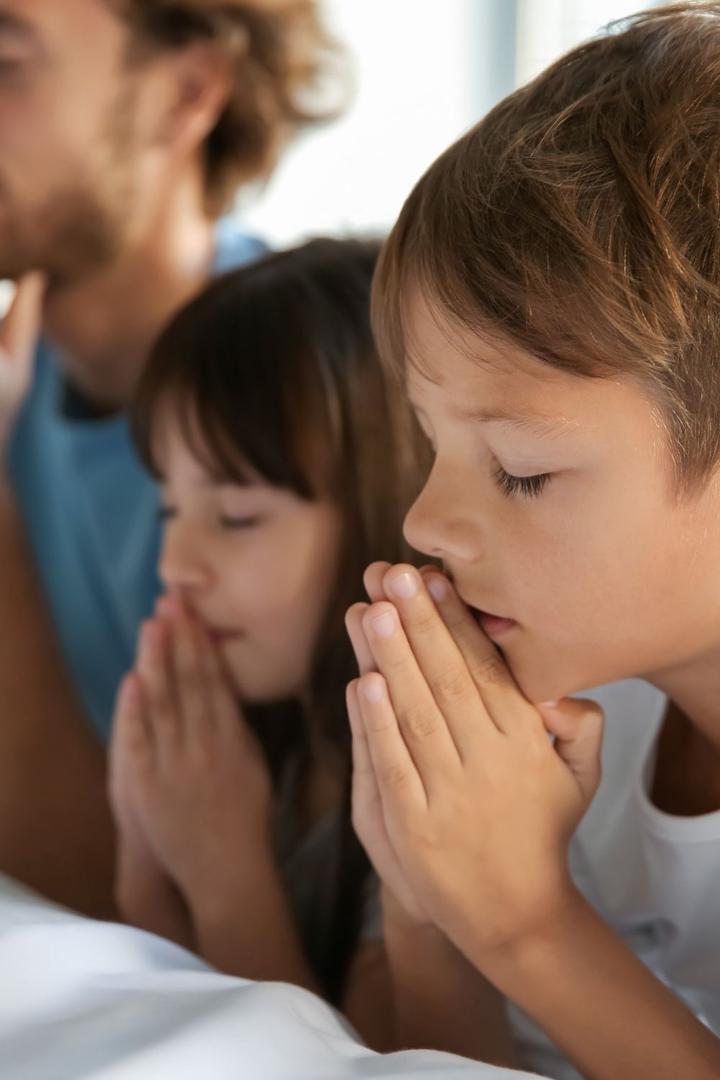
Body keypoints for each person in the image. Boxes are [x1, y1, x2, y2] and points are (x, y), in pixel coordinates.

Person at [343, 3, 720, 1077]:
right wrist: (432, 898)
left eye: (521, 469)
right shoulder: (591, 702)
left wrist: (524, 922)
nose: (422, 522)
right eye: (433, 444)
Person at [0, 0, 342, 917]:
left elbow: (129, 925)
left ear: (186, 92)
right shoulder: (18, 392)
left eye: (5, 61)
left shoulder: (332, 402)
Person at [107, 238, 431, 1050]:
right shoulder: (260, 735)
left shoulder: (422, 780)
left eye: (237, 516)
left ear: (387, 504)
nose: (175, 566)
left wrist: (225, 877)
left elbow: (385, 1067)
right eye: (169, 510)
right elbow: (155, 991)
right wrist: (145, 836)